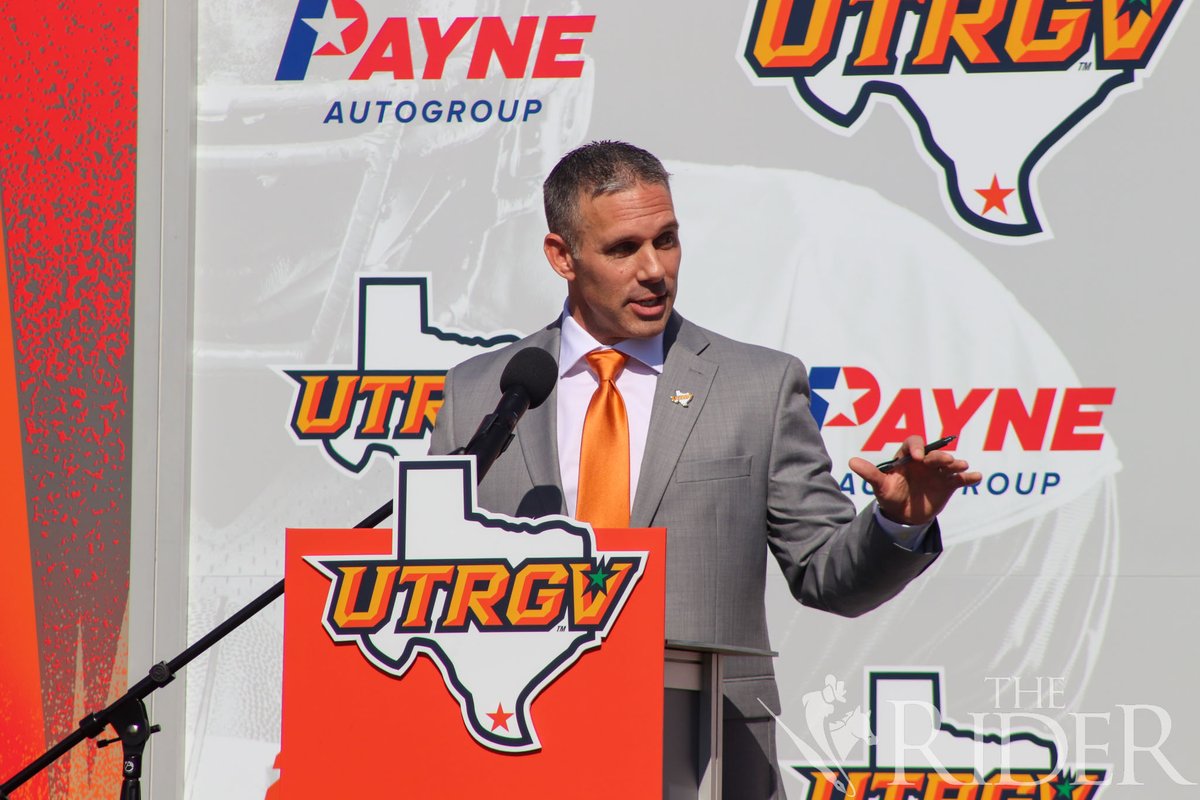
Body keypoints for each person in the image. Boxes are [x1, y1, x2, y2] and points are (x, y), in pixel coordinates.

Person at [430, 140, 981, 797]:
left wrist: (896, 523)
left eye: (666, 240)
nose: (654, 269)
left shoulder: (758, 386)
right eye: (623, 248)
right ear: (561, 256)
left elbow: (826, 574)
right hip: (519, 752)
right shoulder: (479, 393)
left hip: (706, 760)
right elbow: (432, 584)